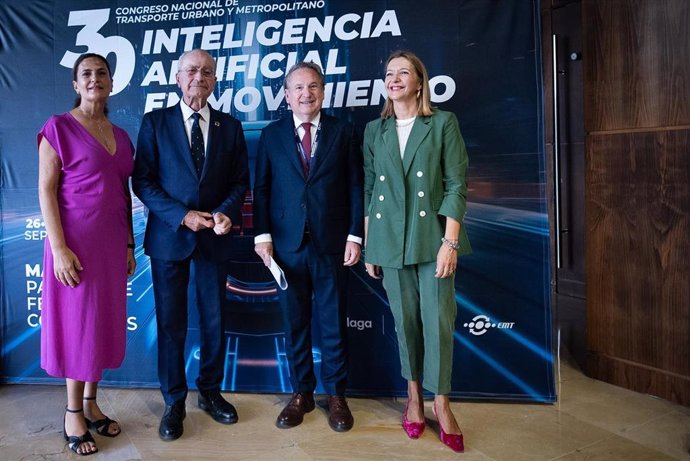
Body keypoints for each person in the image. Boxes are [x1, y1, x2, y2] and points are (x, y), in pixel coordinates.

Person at [132, 49, 249, 441]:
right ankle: (174, 400)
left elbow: (239, 182)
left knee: (214, 320)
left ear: (215, 80)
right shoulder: (154, 123)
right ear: (178, 78)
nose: (199, 76)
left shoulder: (231, 127)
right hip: (170, 237)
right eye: (192, 70)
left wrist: (225, 212)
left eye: (207, 71)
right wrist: (182, 215)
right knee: (170, 325)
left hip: (215, 238)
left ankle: (211, 392)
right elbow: (143, 181)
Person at [362, 50, 472, 453]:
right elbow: (371, 189)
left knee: (438, 321)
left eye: (403, 72)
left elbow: (457, 184)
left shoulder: (442, 122)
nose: (394, 79)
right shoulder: (375, 130)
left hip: (433, 239)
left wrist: (450, 242)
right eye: (389, 73)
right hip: (389, 241)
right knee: (405, 323)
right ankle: (413, 399)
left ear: (419, 81)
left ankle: (441, 404)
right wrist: (371, 245)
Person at [253, 61, 363, 432]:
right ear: (286, 95)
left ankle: (336, 395)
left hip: (332, 244)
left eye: (313, 86)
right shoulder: (271, 136)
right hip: (286, 247)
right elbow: (263, 189)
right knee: (294, 323)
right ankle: (301, 392)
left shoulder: (343, 132)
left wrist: (354, 235)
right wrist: (263, 236)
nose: (306, 94)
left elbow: (354, 187)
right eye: (298, 88)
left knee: (333, 324)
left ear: (323, 91)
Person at [37, 53, 137, 456]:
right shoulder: (57, 128)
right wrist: (58, 248)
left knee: (99, 326)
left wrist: (130, 244)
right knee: (79, 327)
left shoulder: (122, 135)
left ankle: (93, 403)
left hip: (112, 247)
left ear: (112, 83)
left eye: (101, 73)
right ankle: (73, 412)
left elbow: (123, 195)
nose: (95, 79)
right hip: (74, 246)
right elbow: (45, 190)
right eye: (86, 74)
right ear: (75, 85)